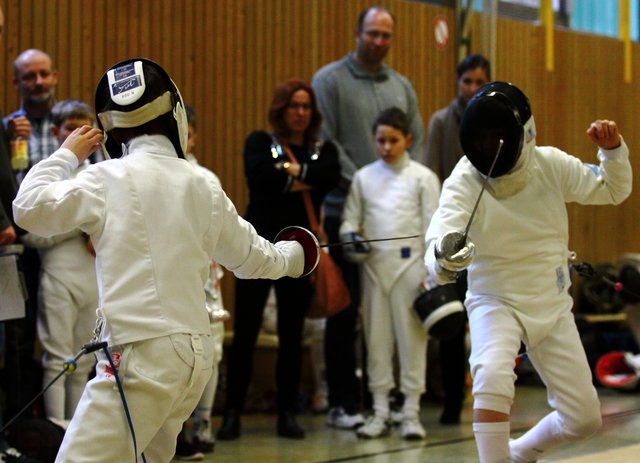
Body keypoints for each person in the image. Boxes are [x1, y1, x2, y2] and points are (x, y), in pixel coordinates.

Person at [12, 58, 317, 463]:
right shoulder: (202, 183)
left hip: (140, 359)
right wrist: (296, 255)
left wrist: (66, 154)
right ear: (174, 114)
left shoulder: (105, 177)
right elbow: (253, 259)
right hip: (193, 360)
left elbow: (28, 207)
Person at [424, 81, 632, 463]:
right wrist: (443, 254)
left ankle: (517, 454)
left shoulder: (549, 165)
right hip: (494, 300)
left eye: (498, 135)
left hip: (551, 303)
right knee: (489, 373)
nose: (489, 145)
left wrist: (612, 151)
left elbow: (612, 190)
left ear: (523, 134)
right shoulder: (466, 178)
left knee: (584, 419)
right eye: (481, 136)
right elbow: (443, 229)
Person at [312, 4, 425, 429]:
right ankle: (345, 402)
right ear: (358, 33)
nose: (379, 41)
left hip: (398, 239)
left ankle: (400, 404)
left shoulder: (402, 86)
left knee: (399, 323)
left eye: (386, 35)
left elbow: (418, 141)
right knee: (345, 315)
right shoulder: (330, 81)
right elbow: (327, 143)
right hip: (348, 215)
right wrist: (365, 181)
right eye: (372, 33)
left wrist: (399, 187)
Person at [216, 79, 340, 441]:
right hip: (256, 247)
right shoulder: (259, 142)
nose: (300, 113)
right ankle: (232, 413)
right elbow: (260, 179)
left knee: (292, 335)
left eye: (306, 107)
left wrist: (290, 173)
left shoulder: (321, 148)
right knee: (246, 334)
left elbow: (330, 176)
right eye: (293, 106)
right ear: (281, 109)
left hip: (300, 251)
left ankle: (288, 412)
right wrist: (305, 178)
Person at [340, 107, 439, 440]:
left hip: (411, 269)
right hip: (373, 270)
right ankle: (380, 410)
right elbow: (349, 222)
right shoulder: (363, 177)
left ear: (407, 139)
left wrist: (432, 272)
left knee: (412, 342)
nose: (386, 147)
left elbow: (433, 228)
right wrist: (351, 239)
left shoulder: (423, 177)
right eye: (380, 140)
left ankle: (410, 412)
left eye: (393, 140)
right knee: (376, 342)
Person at [18, 100, 98, 431]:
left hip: (93, 279)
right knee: (57, 360)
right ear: (56, 133)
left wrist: (95, 230)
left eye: (86, 129)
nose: (78, 136)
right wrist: (77, 227)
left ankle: (76, 433)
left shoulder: (100, 175)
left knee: (83, 361)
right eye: (70, 129)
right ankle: (54, 431)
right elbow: (28, 234)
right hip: (57, 276)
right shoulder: (42, 174)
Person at [424, 53, 491, 425]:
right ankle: (451, 399)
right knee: (452, 323)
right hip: (453, 234)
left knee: (486, 319)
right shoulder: (440, 123)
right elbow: (432, 177)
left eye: (479, 82)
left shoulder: (499, 123)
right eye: (467, 82)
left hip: (490, 236)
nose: (472, 88)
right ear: (457, 82)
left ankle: (484, 394)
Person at [174, 105, 229, 461]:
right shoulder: (161, 175)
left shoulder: (207, 178)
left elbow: (222, 232)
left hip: (207, 276)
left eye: (189, 133)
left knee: (214, 351)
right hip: (175, 278)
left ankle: (203, 424)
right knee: (178, 354)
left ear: (194, 136)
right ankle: (176, 430)